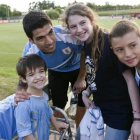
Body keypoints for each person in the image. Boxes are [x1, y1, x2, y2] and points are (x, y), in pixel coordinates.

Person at [62, 3, 140, 140]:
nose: (79, 29)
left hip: (119, 114)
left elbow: (130, 80)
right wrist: (87, 92)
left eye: (82, 23)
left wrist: (137, 119)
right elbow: (98, 75)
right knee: (80, 137)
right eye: (73, 26)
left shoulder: (109, 42)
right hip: (98, 109)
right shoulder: (86, 43)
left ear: (91, 20)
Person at [15, 10, 86, 128]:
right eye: (40, 38)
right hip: (56, 72)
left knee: (82, 101)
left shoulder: (66, 34)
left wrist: (81, 78)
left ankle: (80, 134)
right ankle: (63, 131)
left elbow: (84, 53)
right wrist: (19, 94)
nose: (49, 41)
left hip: (78, 68)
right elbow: (23, 76)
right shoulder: (30, 51)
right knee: (58, 104)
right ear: (31, 40)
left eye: (50, 32)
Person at [15, 54, 68, 139]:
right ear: (23, 79)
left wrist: (55, 122)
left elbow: (47, 109)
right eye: (31, 74)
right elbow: (25, 132)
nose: (38, 77)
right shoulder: (24, 104)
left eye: (41, 71)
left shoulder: (43, 95)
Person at [109, 20, 140, 139]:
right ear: (113, 51)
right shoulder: (134, 68)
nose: (128, 54)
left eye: (133, 45)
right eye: (120, 50)